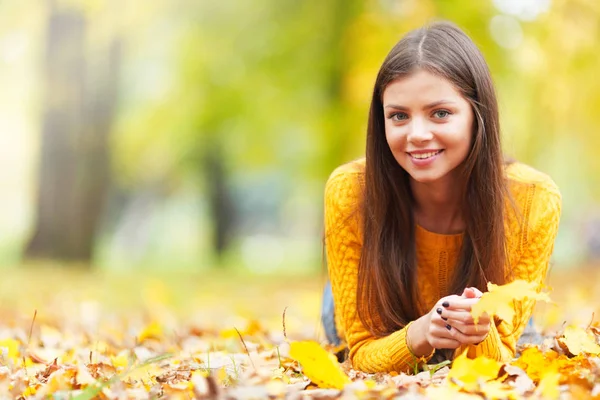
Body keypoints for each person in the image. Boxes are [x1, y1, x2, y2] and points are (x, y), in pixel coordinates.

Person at [322, 21, 561, 374]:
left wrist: (479, 334)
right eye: (399, 116)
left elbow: (496, 362)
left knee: (521, 346)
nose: (417, 134)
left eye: (441, 113)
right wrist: (421, 332)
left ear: (476, 117)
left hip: (491, 329)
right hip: (379, 317)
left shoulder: (532, 200)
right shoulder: (350, 190)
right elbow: (362, 352)